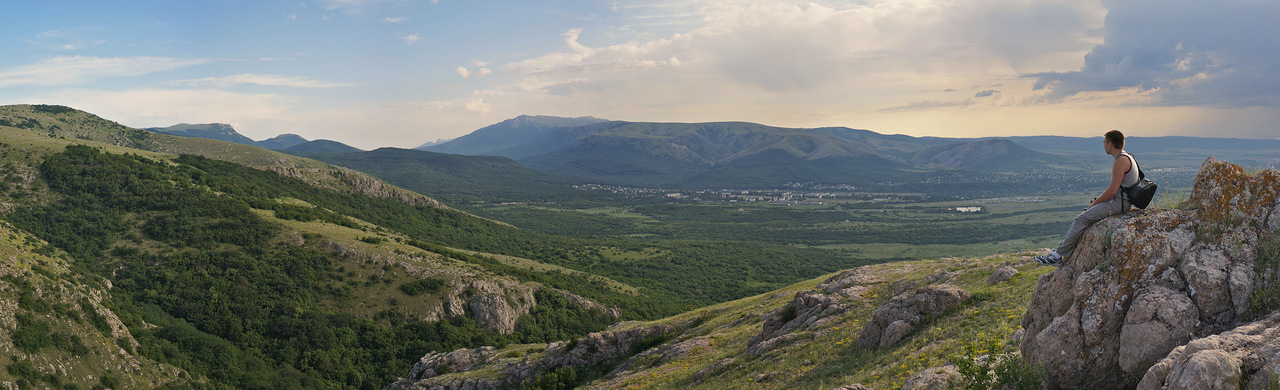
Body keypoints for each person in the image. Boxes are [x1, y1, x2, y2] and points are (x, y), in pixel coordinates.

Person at [1034, 130, 1139, 266]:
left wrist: (1095, 203)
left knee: (1081, 219)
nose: (1103, 145)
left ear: (1110, 144)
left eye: (1104, 142)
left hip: (1119, 203)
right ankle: (1061, 250)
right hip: (1121, 201)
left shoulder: (1121, 160)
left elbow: (1112, 191)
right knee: (1087, 213)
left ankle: (1057, 256)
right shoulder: (1127, 157)